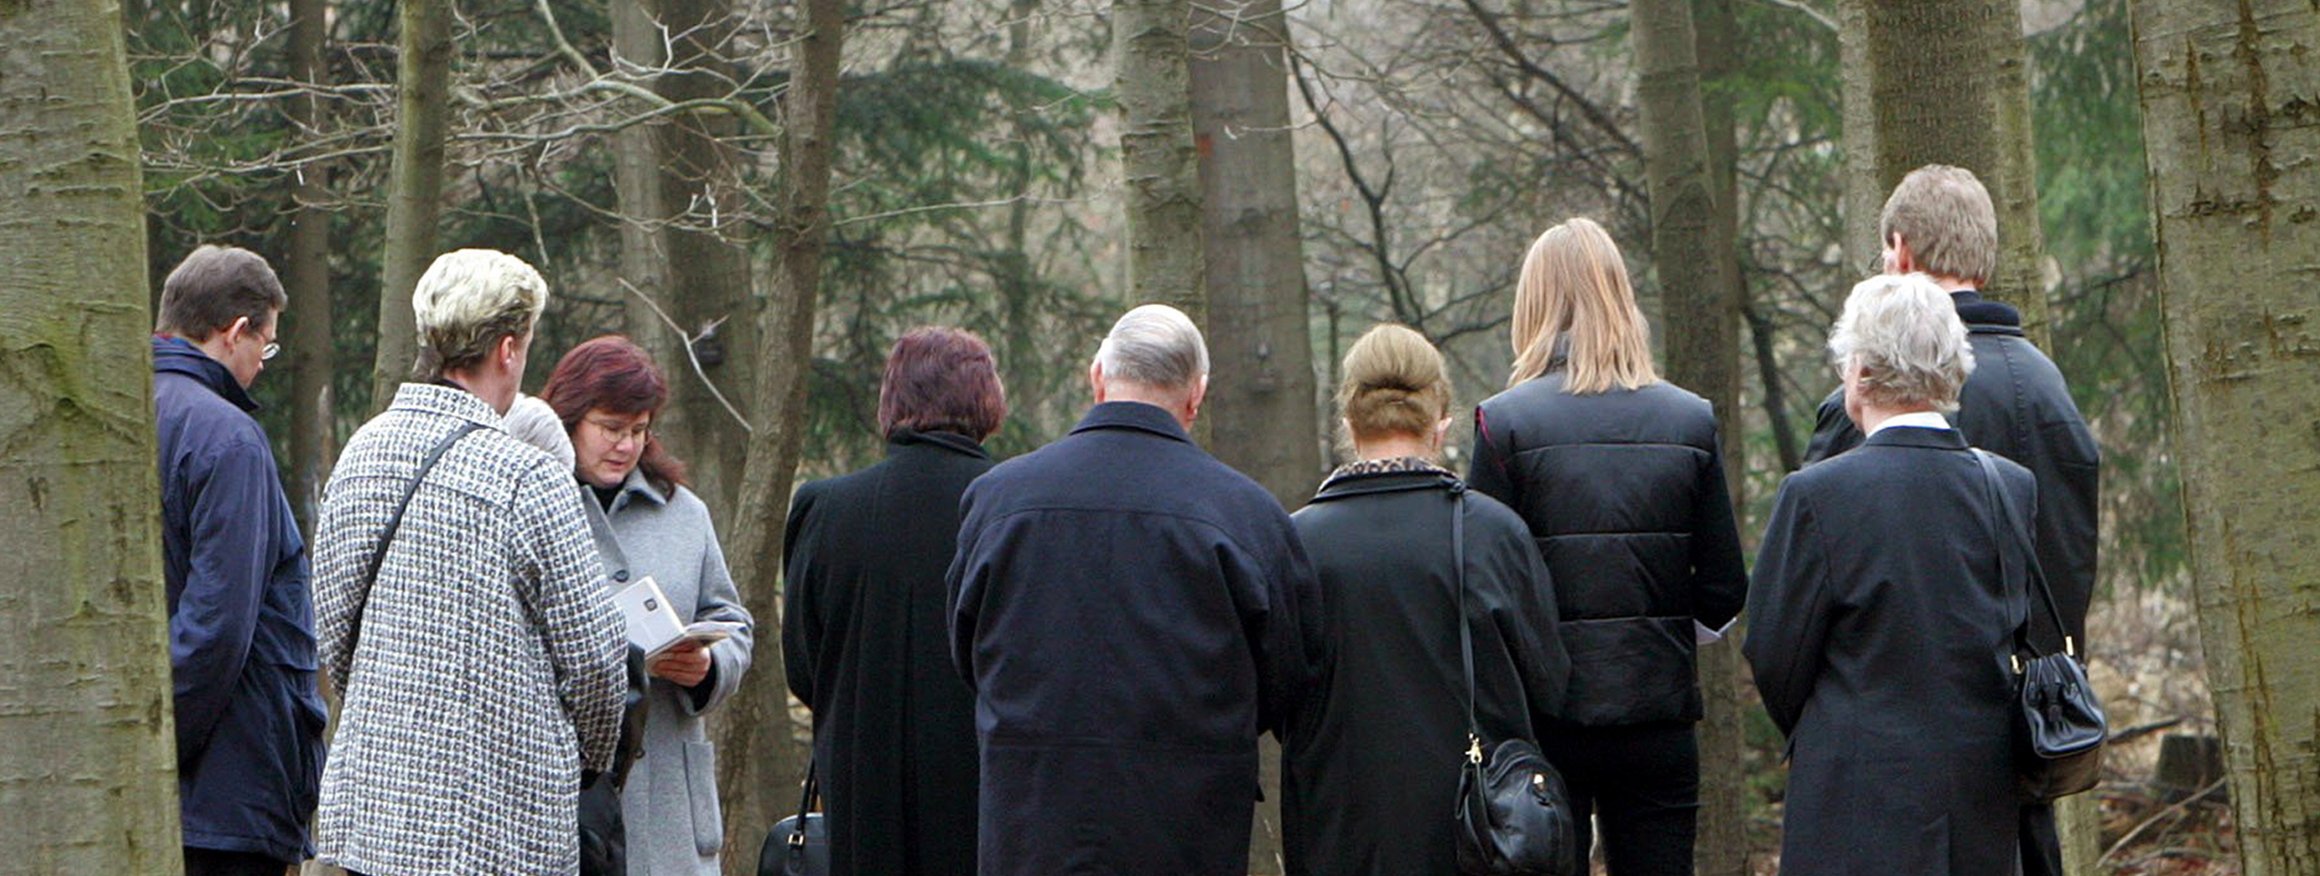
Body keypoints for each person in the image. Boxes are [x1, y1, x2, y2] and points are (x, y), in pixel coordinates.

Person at [946, 303, 1323, 875]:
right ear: (1196, 395)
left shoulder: (999, 501)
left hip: (1032, 824)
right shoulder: (1246, 515)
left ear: (1099, 377)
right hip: (1187, 828)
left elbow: (967, 651)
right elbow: (1287, 677)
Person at [1799, 165, 2099, 876]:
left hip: (1903, 772)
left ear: (1900, 252)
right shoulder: (2051, 389)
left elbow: (1807, 587)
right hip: (2031, 728)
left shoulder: (1875, 401)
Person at [312, 249, 627, 876]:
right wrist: (581, 760)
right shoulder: (529, 475)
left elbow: (333, 631)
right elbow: (596, 661)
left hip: (373, 818)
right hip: (499, 820)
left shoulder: (361, 453)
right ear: (508, 349)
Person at [1466, 218, 1748, 875]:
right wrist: (1663, 638)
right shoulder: (1688, 420)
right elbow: (1724, 589)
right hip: (1657, 716)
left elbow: (1482, 587)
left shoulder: (1504, 423)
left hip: (1543, 721)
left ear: (1532, 304)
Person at [1746, 273, 2032, 874]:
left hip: (1852, 795)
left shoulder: (1818, 494)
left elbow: (1775, 652)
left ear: (1863, 372)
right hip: (1980, 796)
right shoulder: (2009, 487)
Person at [1282, 324, 1568, 876]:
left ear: (1348, 423)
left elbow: (1274, 695)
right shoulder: (1493, 532)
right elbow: (1551, 682)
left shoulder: (1296, 544)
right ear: (1440, 423)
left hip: (1336, 831)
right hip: (1479, 835)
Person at [784, 327, 1007, 875]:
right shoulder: (1014, 509)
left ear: (893, 401)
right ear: (987, 402)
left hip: (863, 788)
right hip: (982, 788)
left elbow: (805, 667)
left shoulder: (825, 508)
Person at [537, 336, 755, 876]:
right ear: (569, 420)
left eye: (639, 430)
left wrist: (708, 667)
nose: (626, 446)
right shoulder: (535, 508)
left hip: (672, 813)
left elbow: (733, 623)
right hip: (567, 806)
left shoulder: (685, 513)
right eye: (611, 428)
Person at [151, 245, 327, 876]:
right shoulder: (228, 438)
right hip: (227, 789)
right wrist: (161, 743)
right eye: (266, 346)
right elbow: (218, 624)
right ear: (235, 332)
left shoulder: (120, 415)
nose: (262, 365)